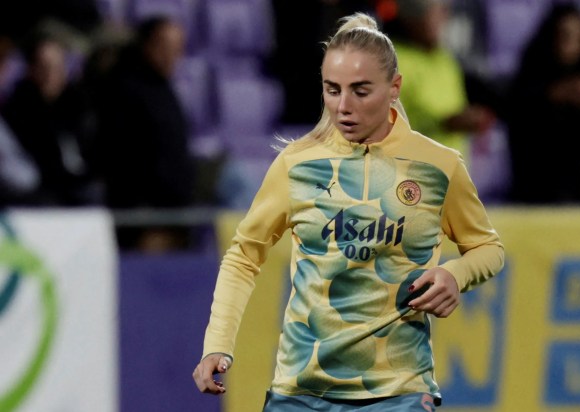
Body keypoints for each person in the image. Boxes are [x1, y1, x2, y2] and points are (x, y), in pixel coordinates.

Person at [193, 12, 504, 411]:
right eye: (332, 89)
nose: (343, 106)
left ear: (394, 88)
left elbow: (488, 248)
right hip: (301, 393)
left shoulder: (438, 167)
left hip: (398, 392)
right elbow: (243, 255)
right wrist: (217, 343)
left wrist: (455, 274)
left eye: (360, 90)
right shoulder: (298, 164)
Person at [95, 15, 195, 251]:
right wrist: (143, 213)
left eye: (176, 48)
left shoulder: (164, 88)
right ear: (147, 46)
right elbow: (121, 156)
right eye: (165, 47)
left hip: (175, 207)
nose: (172, 55)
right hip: (146, 214)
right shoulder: (125, 89)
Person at [505, 2, 580, 205]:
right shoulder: (534, 64)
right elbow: (516, 111)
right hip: (534, 183)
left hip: (576, 186)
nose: (571, 44)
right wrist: (554, 94)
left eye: (578, 38)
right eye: (565, 35)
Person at [386, 0, 496, 164]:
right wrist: (444, 123)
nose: (438, 19)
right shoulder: (390, 61)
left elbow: (456, 107)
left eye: (442, 11)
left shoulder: (446, 60)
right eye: (429, 12)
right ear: (409, 17)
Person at [1, 28, 101, 206]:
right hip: (42, 192)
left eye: (56, 67)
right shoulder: (18, 110)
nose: (50, 75)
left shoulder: (79, 106)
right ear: (31, 70)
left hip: (78, 187)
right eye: (44, 67)